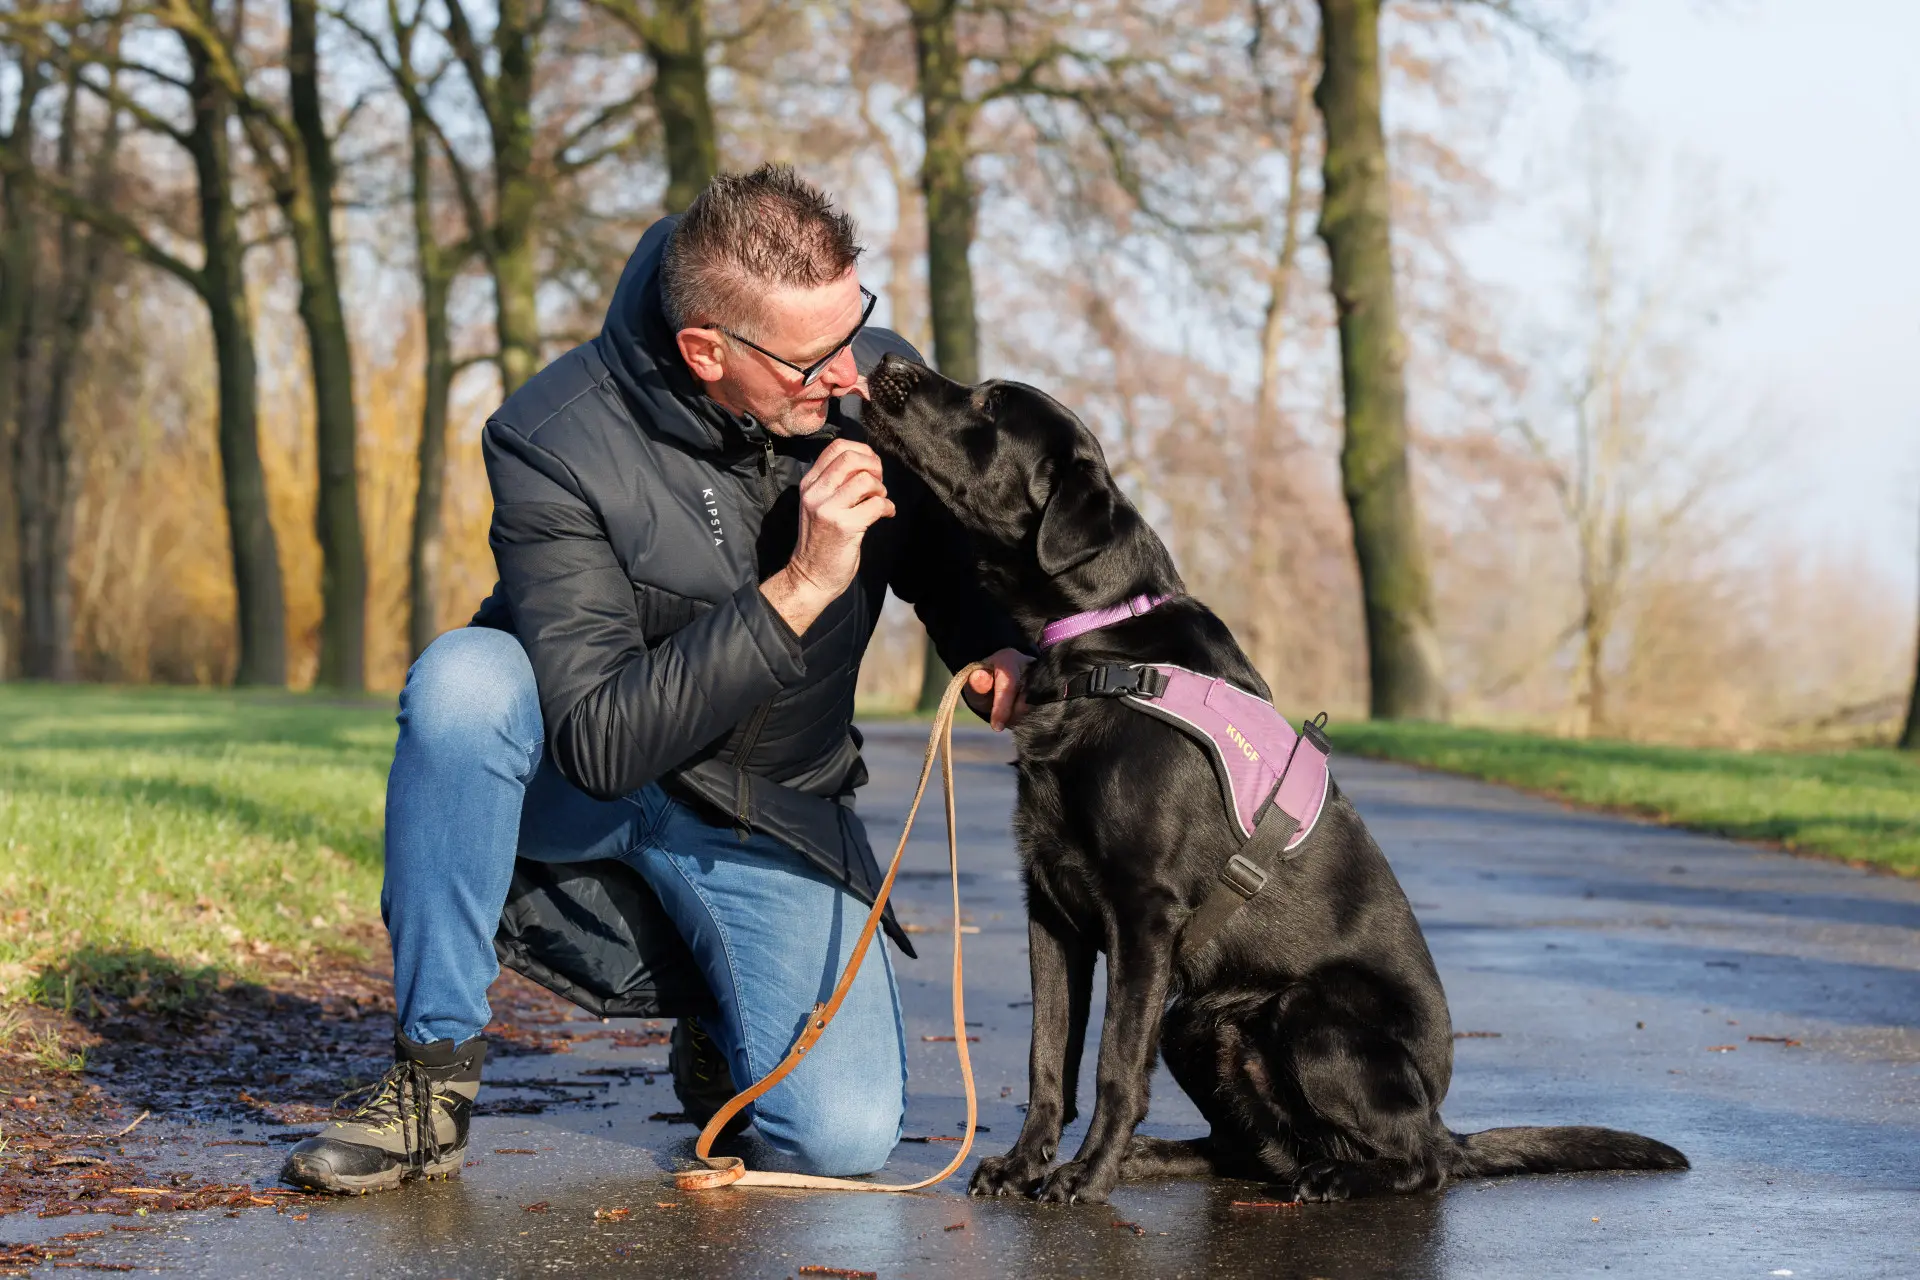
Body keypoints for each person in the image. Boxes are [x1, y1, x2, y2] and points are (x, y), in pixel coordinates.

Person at [281, 166, 1030, 1195]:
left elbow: (944, 564)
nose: (850, 371)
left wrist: (994, 643)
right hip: (588, 786)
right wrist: (801, 585)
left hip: (771, 808)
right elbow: (597, 741)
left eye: (857, 324)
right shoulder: (552, 437)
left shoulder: (864, 377)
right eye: (814, 358)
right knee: (465, 681)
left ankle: (723, 1021)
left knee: (841, 1139)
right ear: (705, 349)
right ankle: (430, 1082)